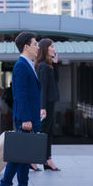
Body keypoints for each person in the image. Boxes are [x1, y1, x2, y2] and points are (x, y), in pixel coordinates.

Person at [0, 32, 45, 186]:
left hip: (31, 115)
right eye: (35, 44)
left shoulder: (28, 63)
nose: (38, 47)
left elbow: (30, 93)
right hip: (26, 118)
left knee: (25, 153)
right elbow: (20, 94)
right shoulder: (21, 66)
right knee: (18, 155)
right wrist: (25, 119)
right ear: (26, 46)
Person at [35, 38, 61, 171]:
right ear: (46, 49)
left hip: (50, 102)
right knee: (43, 132)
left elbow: (56, 80)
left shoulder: (47, 65)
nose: (54, 49)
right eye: (52, 47)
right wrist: (42, 107)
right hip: (47, 103)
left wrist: (55, 64)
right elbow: (43, 88)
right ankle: (35, 159)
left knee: (48, 131)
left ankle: (47, 159)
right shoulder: (43, 67)